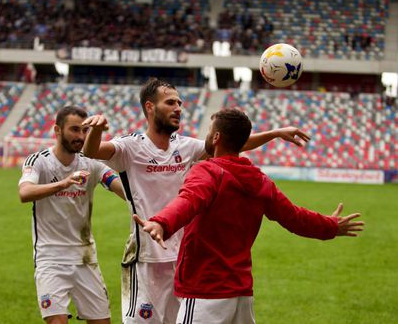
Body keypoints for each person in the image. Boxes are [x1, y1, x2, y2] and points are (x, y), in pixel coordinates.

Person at [82, 78, 312, 324]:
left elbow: (229, 142)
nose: (178, 107)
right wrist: (96, 129)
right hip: (147, 258)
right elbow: (91, 152)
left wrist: (275, 134)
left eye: (179, 102)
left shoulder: (186, 146)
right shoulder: (129, 147)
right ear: (150, 107)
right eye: (170, 102)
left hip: (183, 260)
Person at [133, 108, 364, 324]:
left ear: (216, 138)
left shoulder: (208, 170)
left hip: (205, 291)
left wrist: (161, 222)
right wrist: (330, 226)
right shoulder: (260, 180)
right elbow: (295, 217)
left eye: (209, 131)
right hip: (241, 294)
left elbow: (189, 200)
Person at [18, 105, 125, 324]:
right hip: (50, 258)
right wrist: (63, 183)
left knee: (102, 322)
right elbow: (25, 192)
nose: (80, 136)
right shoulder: (39, 161)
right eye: (74, 130)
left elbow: (121, 188)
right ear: (57, 131)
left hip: (85, 257)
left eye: (84, 131)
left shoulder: (91, 163)